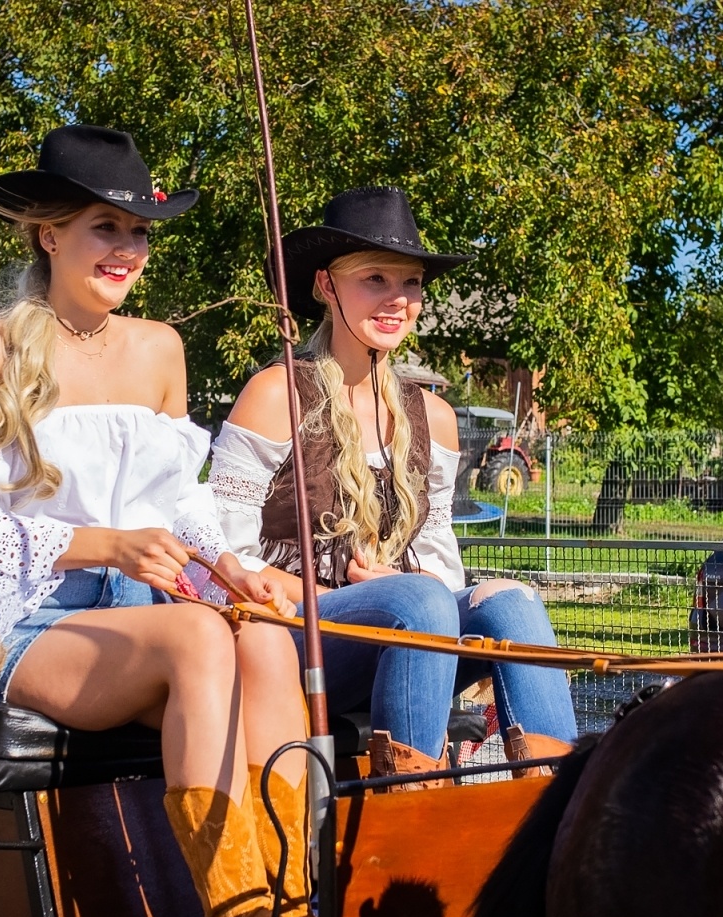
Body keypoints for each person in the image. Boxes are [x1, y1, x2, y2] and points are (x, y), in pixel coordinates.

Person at [0, 125, 312, 917]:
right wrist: (102, 544)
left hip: (139, 603)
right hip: (24, 613)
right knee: (198, 639)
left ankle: (297, 898)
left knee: (265, 631)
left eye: (139, 232)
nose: (127, 250)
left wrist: (231, 564)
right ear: (50, 234)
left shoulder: (159, 349)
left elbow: (178, 497)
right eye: (104, 228)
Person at [208, 186, 576, 782]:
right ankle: (407, 807)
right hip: (291, 637)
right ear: (327, 286)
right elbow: (220, 562)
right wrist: (369, 599)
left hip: (409, 629)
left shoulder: (433, 416)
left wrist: (399, 588)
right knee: (419, 601)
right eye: (374, 279)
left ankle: (552, 813)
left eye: (410, 283)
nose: (397, 300)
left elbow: (441, 567)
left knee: (513, 601)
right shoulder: (277, 394)